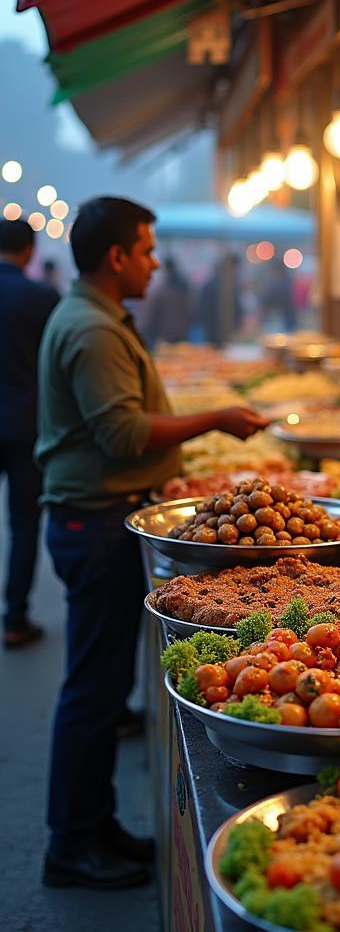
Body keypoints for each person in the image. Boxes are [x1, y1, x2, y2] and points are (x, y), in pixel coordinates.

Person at [35, 197, 268, 890]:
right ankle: (72, 845)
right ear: (117, 258)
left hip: (104, 516)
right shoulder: (91, 327)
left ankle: (92, 826)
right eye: (146, 248)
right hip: (96, 523)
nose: (156, 261)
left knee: (101, 689)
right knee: (93, 690)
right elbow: (124, 435)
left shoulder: (98, 317)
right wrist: (219, 418)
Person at [0, 219, 60, 647]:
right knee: (23, 524)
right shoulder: (41, 298)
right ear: (29, 250)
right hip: (24, 426)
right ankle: (15, 618)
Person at [139, 255, 191, 345]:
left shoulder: (162, 289)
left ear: (167, 269)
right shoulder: (184, 287)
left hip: (166, 334)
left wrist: (148, 329)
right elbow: (191, 310)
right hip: (182, 332)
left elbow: (153, 314)